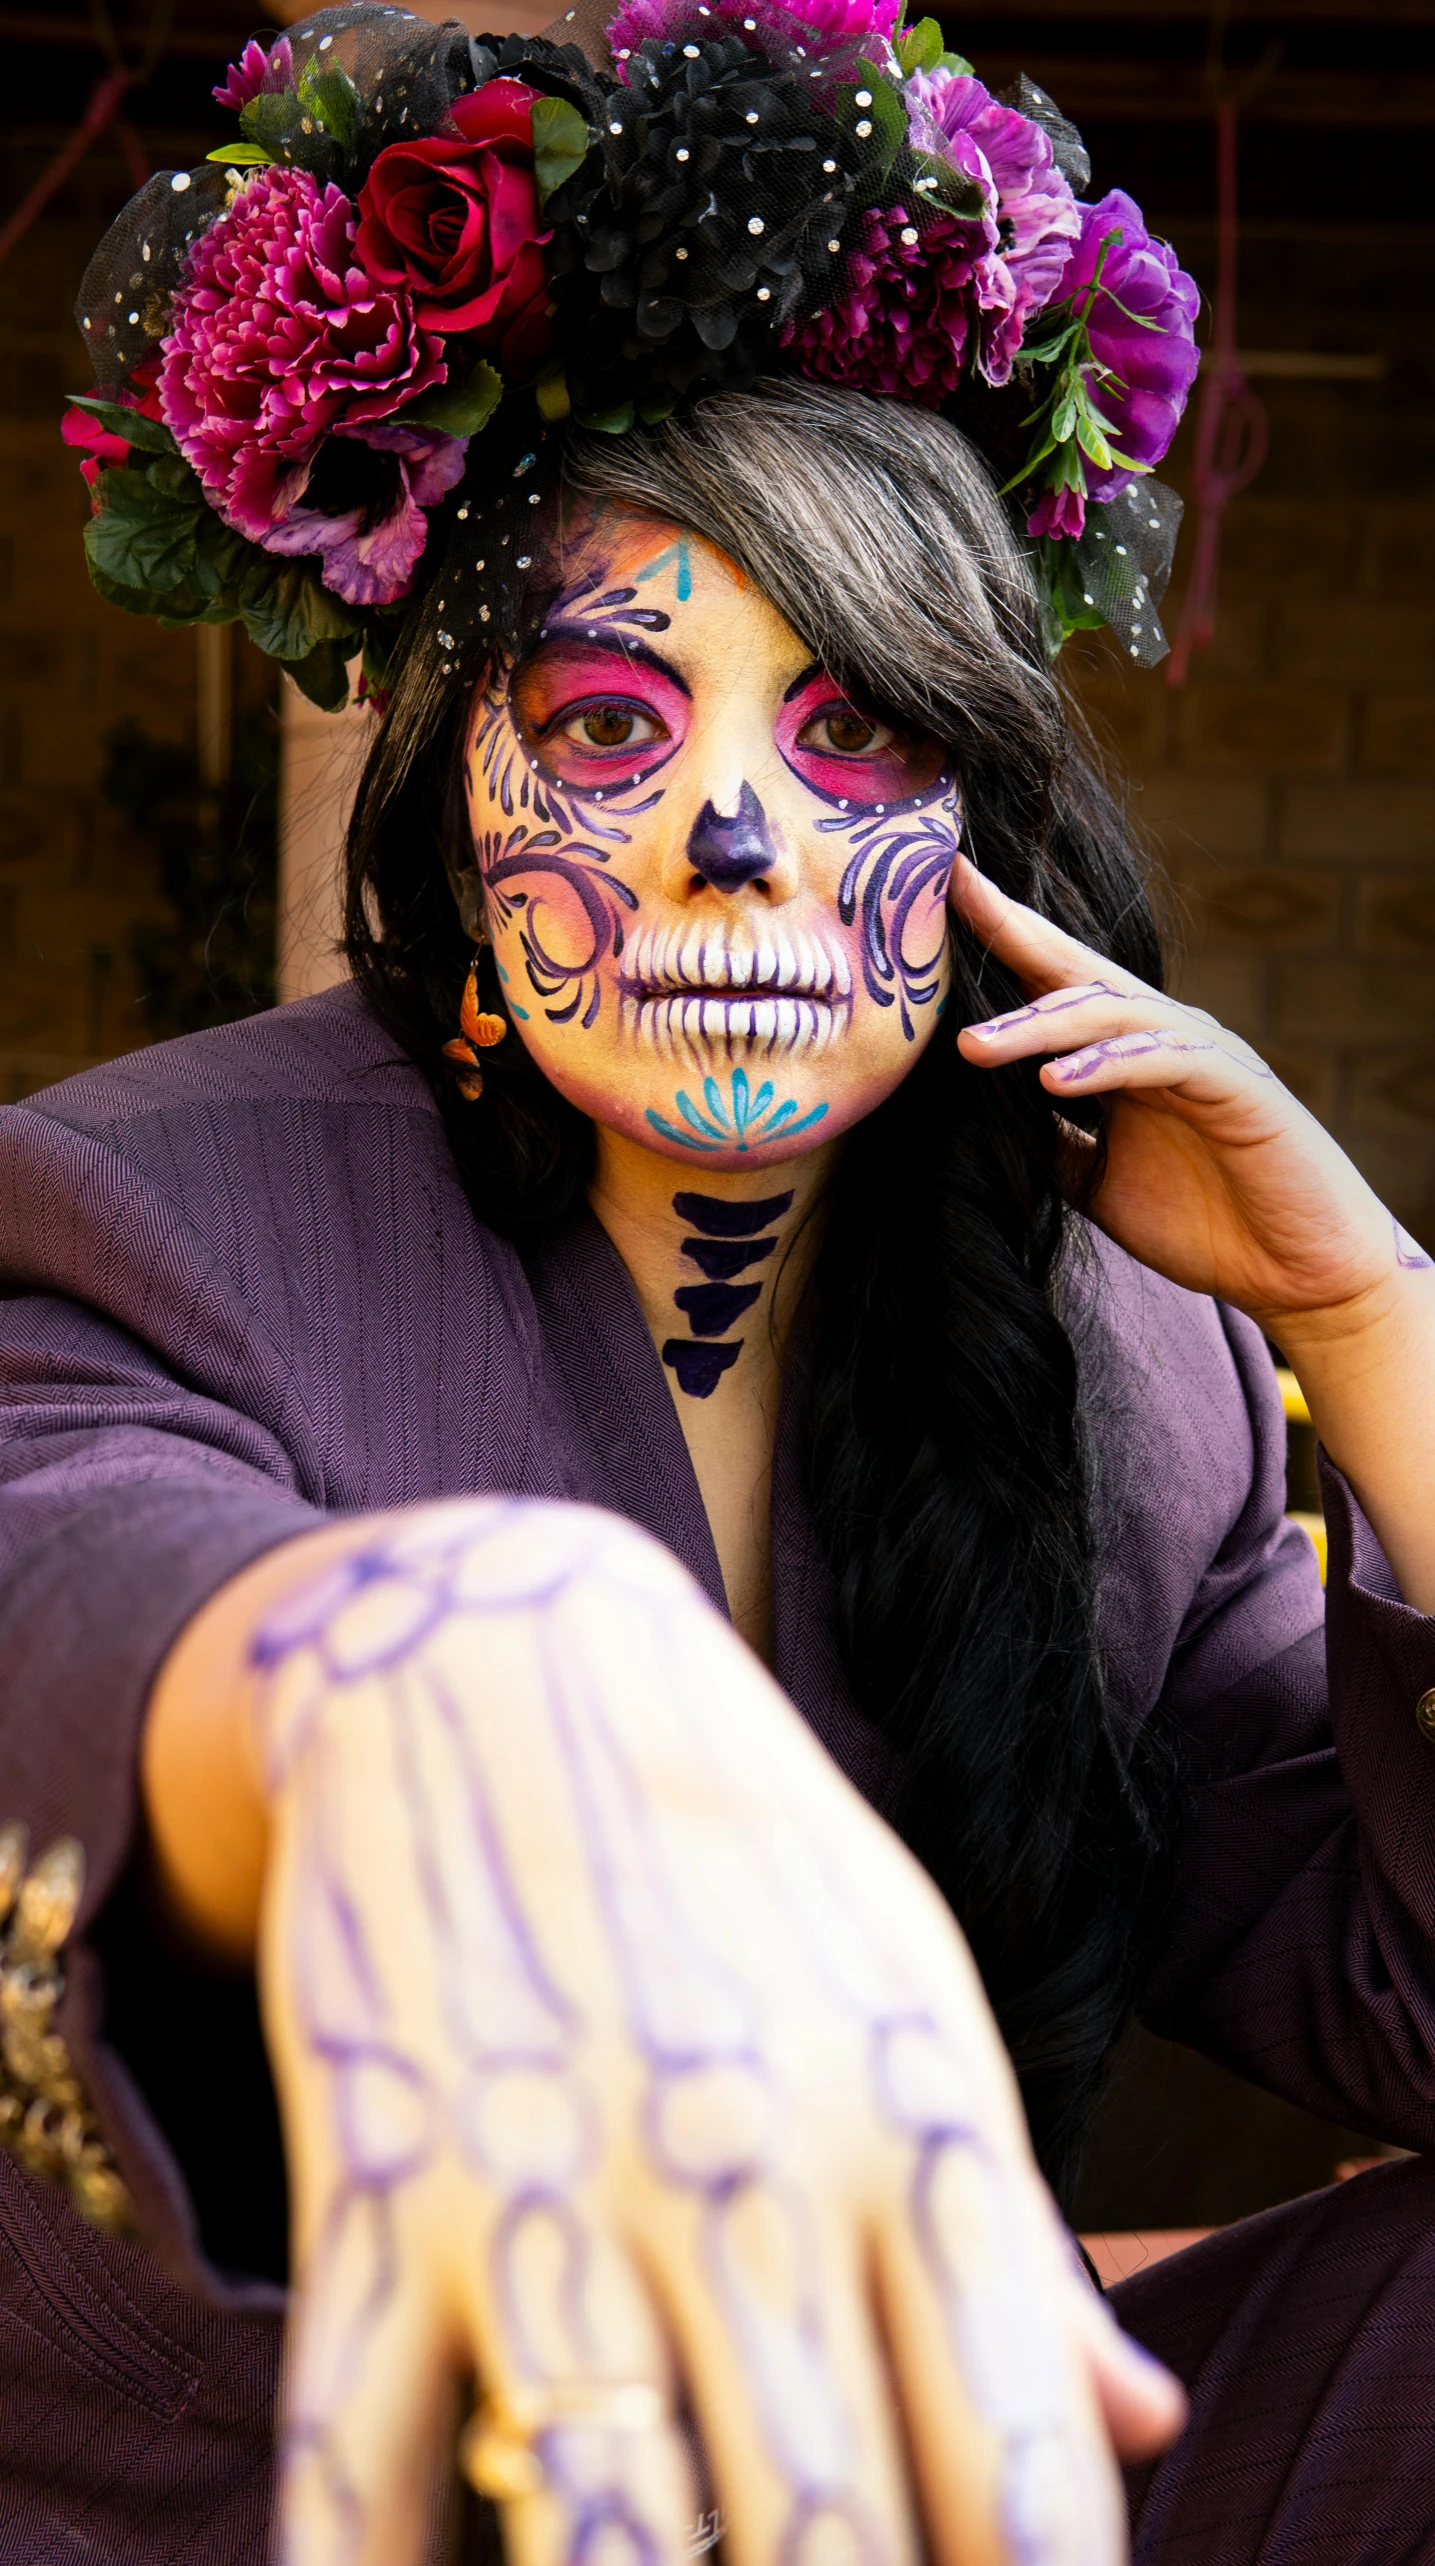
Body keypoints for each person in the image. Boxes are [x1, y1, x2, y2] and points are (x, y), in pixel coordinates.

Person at [5, 6, 1435, 2561]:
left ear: (988, 800)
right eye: (607, 716)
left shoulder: (1154, 1364)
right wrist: (446, 1658)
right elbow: (61, 1600)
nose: (741, 832)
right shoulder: (151, 1215)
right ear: (460, 792)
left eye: (863, 731)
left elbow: (1400, 1994)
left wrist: (1373, 1316)